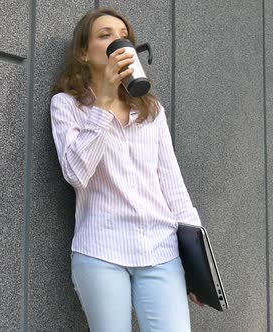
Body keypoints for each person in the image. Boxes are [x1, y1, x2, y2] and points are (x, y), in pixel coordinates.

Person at [49, 8, 205, 332]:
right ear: (83, 52)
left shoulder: (151, 110)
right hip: (101, 251)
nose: (118, 42)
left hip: (161, 252)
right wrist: (103, 103)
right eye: (105, 35)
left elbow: (174, 188)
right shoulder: (66, 106)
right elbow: (76, 173)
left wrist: (197, 266)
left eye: (123, 36)